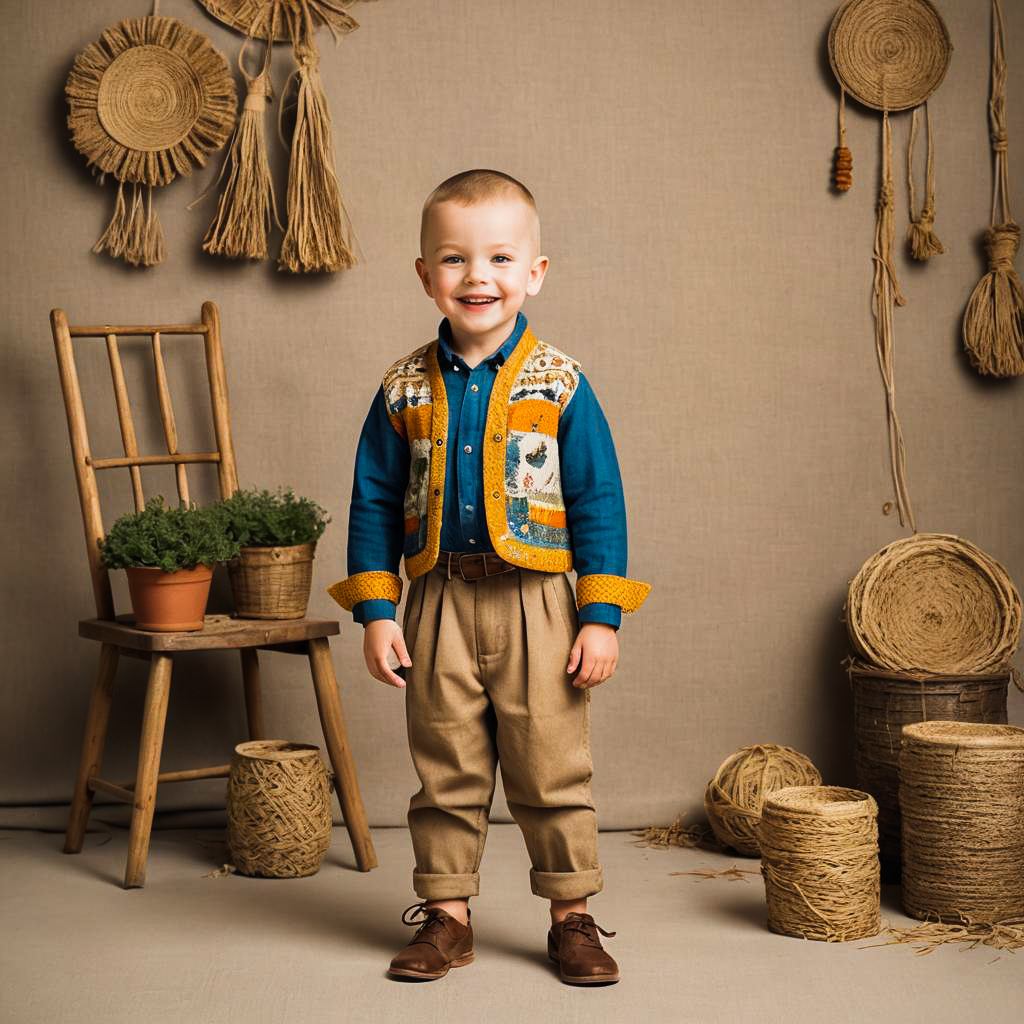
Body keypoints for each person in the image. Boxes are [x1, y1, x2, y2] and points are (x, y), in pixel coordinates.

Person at [329, 169, 650, 985]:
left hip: (540, 604)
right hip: (437, 602)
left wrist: (599, 615)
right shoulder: (403, 388)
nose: (479, 277)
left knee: (552, 766)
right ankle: (447, 917)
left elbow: (599, 502)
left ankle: (572, 919)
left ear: (535, 273)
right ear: (424, 275)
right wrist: (377, 609)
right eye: (455, 259)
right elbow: (371, 502)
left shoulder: (562, 384)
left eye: (502, 258)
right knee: (446, 768)